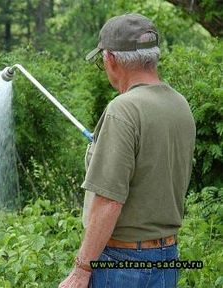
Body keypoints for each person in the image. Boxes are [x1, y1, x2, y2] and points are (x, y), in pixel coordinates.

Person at [58, 13, 196, 288]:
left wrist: (82, 270)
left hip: (122, 265)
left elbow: (109, 201)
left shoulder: (123, 110)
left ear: (110, 58)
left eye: (101, 61)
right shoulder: (180, 105)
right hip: (167, 258)